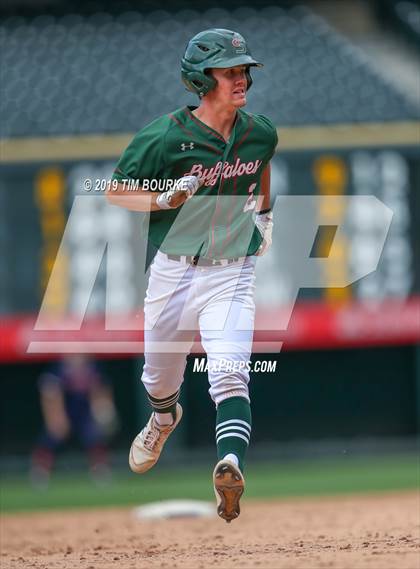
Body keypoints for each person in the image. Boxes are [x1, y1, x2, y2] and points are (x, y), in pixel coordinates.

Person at [107, 28, 277, 522]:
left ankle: (230, 465)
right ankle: (164, 417)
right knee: (159, 378)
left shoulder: (259, 131)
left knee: (229, 371)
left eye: (243, 69)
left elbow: (260, 166)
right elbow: (115, 190)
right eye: (229, 72)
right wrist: (161, 199)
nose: (240, 78)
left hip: (232, 272)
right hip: (174, 272)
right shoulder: (164, 136)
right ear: (202, 80)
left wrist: (264, 216)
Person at [31, 355, 118, 487]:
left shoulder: (93, 365)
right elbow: (50, 393)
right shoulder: (58, 367)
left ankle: (101, 471)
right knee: (51, 438)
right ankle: (40, 472)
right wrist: (55, 416)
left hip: (85, 408)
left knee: (94, 436)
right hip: (65, 406)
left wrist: (103, 409)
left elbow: (101, 390)